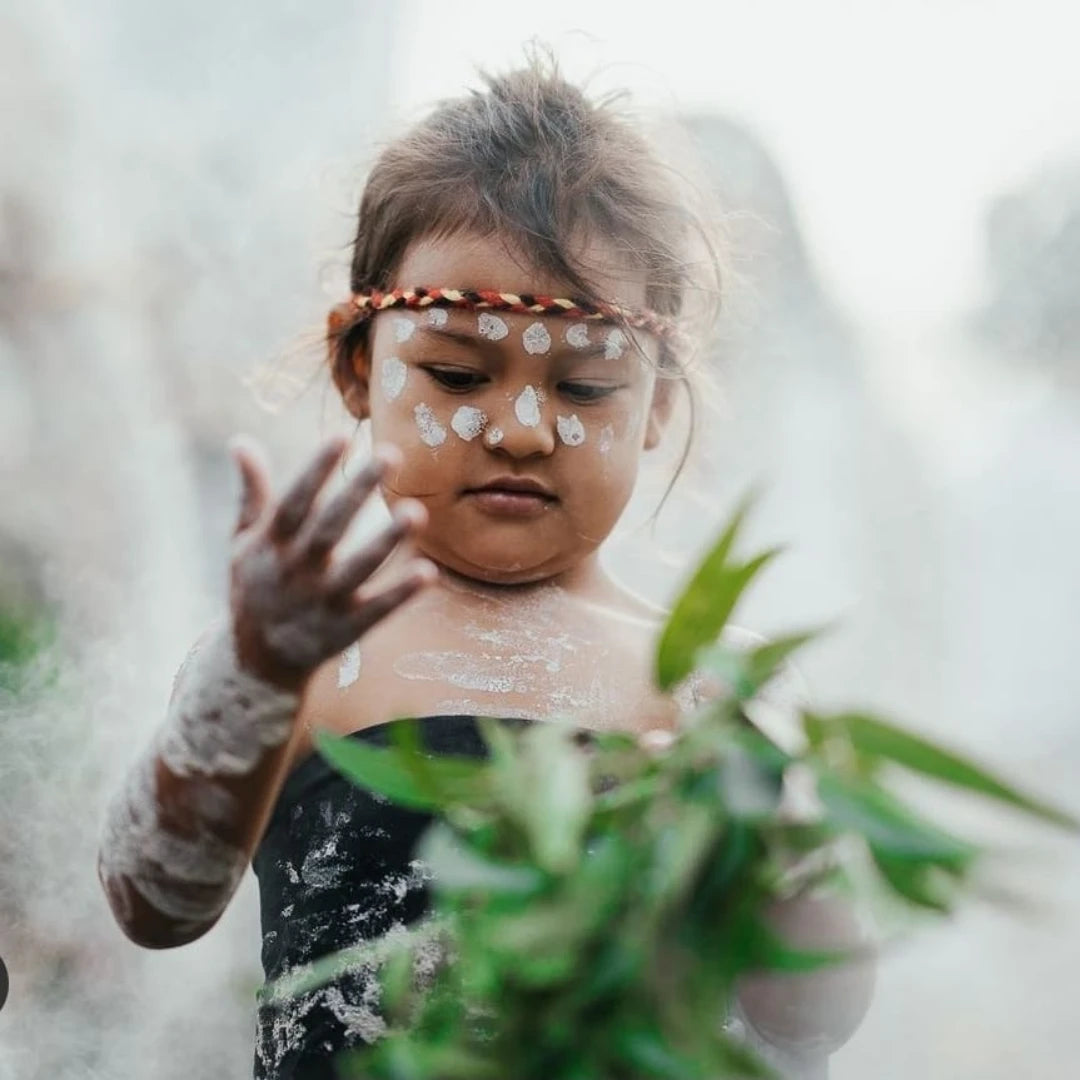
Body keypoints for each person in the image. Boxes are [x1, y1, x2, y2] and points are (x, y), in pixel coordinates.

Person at [96, 54, 873, 1080]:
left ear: (660, 407)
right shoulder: (304, 661)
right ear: (358, 368)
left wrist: (781, 819)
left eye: (587, 386)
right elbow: (153, 900)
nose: (519, 427)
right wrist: (246, 679)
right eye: (459, 372)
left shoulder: (713, 689)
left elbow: (810, 1017)